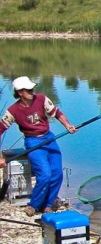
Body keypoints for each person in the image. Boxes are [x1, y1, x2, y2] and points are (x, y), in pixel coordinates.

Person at [0, 76, 77, 216]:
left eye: (32, 88)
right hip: (32, 142)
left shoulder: (42, 99)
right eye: (28, 89)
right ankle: (34, 205)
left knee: (57, 174)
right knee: (45, 174)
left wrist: (67, 125)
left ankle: (48, 204)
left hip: (49, 138)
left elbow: (57, 113)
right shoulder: (13, 111)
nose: (32, 91)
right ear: (19, 92)